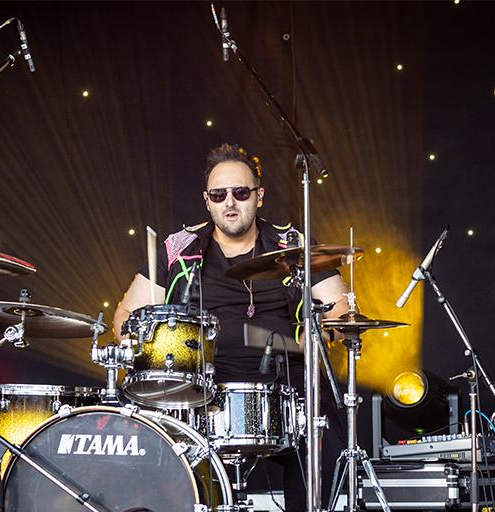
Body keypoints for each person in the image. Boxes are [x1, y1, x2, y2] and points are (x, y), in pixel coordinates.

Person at [113, 143, 351, 510]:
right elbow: (127, 318)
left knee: (323, 441)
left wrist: (323, 334)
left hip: (289, 387)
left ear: (259, 197)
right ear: (206, 201)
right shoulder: (180, 249)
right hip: (204, 389)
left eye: (240, 193)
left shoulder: (293, 245)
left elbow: (339, 308)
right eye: (219, 194)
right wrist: (140, 344)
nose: (230, 202)